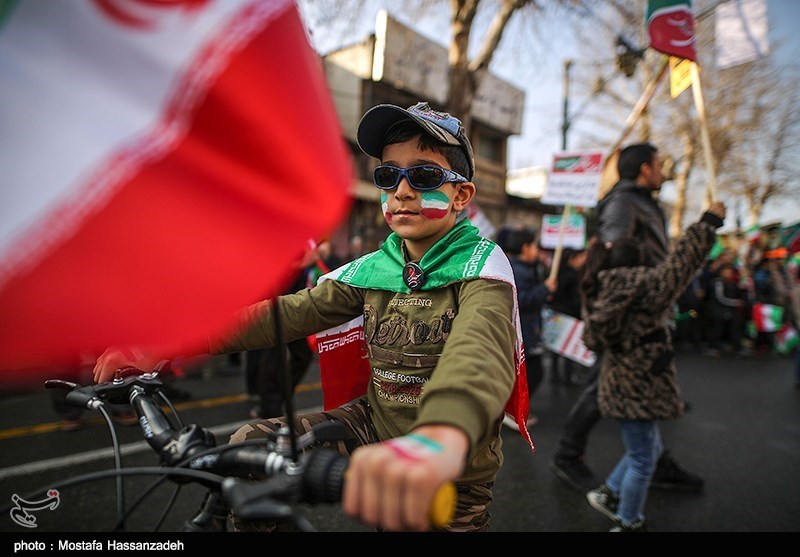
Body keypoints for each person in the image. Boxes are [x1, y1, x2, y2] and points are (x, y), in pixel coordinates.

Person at [92, 100, 529, 532]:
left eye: (424, 175)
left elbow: (479, 355)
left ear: (461, 196)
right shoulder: (377, 269)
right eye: (387, 174)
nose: (402, 190)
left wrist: (439, 437)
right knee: (249, 449)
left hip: (453, 469)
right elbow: (288, 312)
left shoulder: (483, 269)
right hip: (372, 428)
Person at [551, 143, 704, 494]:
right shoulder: (623, 202)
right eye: (659, 164)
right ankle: (567, 455)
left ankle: (656, 460)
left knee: (642, 381)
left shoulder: (644, 201)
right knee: (603, 384)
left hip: (649, 306)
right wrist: (636, 293)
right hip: (633, 310)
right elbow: (613, 255)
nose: (664, 170)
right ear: (644, 169)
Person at [582, 201, 726, 531]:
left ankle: (609, 492)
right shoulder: (644, 288)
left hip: (620, 382)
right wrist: (707, 223)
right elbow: (682, 263)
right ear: (640, 261)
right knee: (644, 458)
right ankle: (629, 521)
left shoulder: (602, 287)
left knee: (645, 447)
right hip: (640, 385)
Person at [245, 245, 318, 419]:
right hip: (275, 301)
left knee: (303, 355)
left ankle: (278, 399)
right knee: (272, 359)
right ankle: (270, 409)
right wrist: (298, 264)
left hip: (296, 303)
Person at [498, 225, 557, 430]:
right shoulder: (518, 270)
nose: (537, 251)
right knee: (533, 372)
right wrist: (544, 290)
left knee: (527, 372)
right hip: (522, 331)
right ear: (525, 247)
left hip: (527, 329)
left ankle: (512, 410)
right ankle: (511, 411)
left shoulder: (519, 267)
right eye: (534, 246)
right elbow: (521, 299)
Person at [547, 247, 588, 385]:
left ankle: (554, 374)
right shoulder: (573, 275)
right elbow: (575, 299)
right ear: (572, 259)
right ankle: (567, 376)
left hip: (556, 312)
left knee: (556, 346)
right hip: (569, 313)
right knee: (568, 346)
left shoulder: (555, 273)